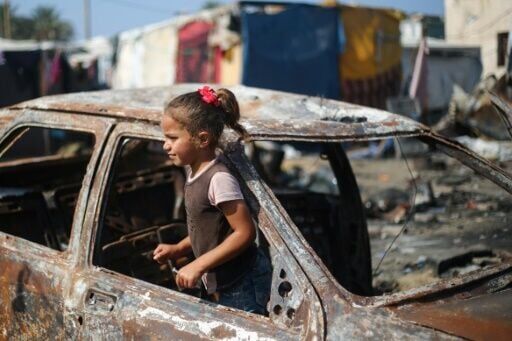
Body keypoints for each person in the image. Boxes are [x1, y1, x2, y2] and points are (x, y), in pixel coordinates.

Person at [153, 85, 272, 315]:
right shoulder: (193, 171)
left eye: (172, 138)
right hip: (228, 282)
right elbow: (209, 229)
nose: (165, 144)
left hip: (243, 283)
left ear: (202, 139)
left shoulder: (218, 179)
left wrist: (199, 264)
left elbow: (245, 233)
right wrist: (179, 248)